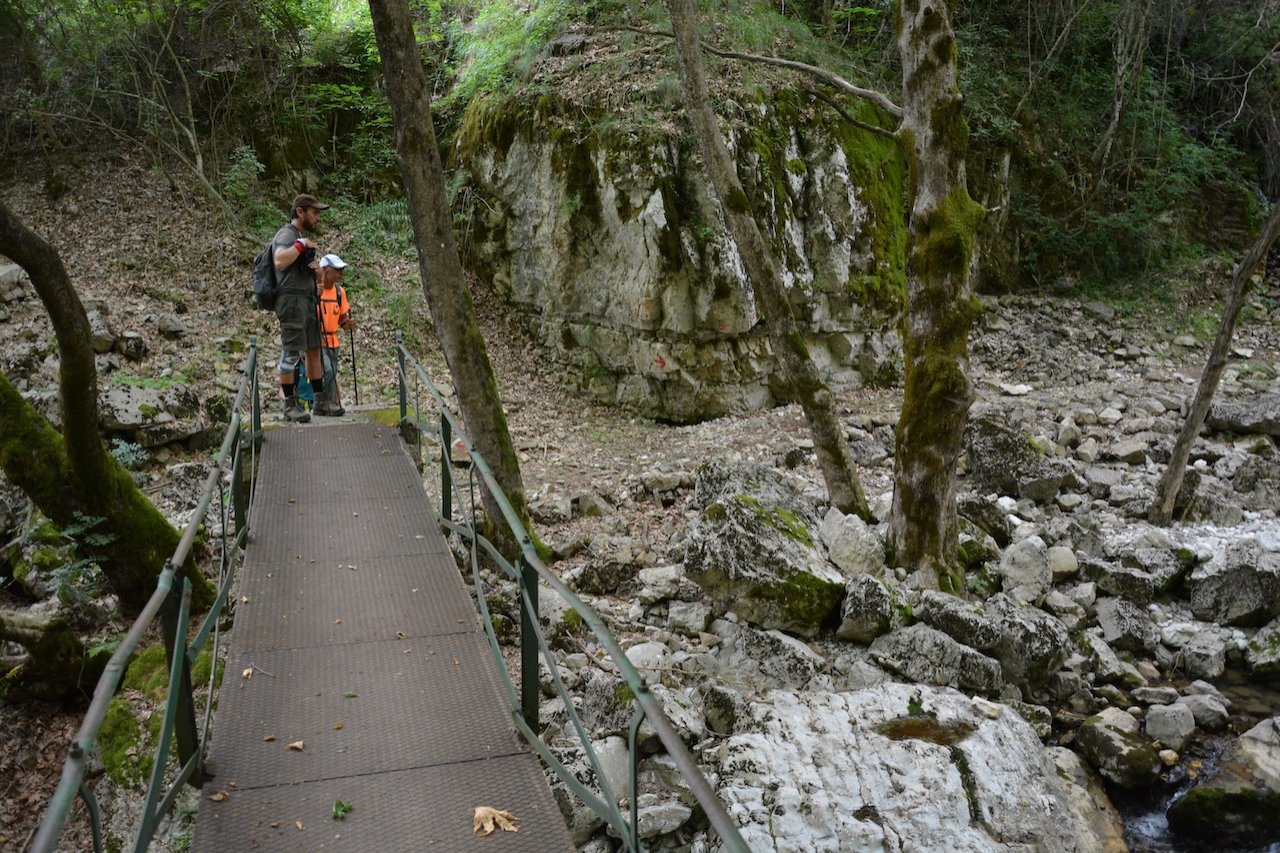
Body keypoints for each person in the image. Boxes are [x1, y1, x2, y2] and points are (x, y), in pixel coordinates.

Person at [273, 193, 329, 423]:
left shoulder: (299, 237)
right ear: (300, 212)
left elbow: (321, 282)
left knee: (314, 350)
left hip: (307, 301)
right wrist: (299, 245)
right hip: (292, 301)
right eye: (314, 212)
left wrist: (318, 273)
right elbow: (279, 260)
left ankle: (320, 403)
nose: (317, 218)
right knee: (292, 353)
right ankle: (289, 405)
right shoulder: (287, 234)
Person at [315, 253, 356, 416]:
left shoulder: (340, 292)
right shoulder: (315, 289)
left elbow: (342, 321)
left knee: (332, 372)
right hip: (317, 340)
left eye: (342, 270)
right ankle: (327, 404)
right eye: (337, 270)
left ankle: (324, 406)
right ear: (325, 270)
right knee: (328, 371)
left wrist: (349, 324)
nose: (341, 273)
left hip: (334, 341)